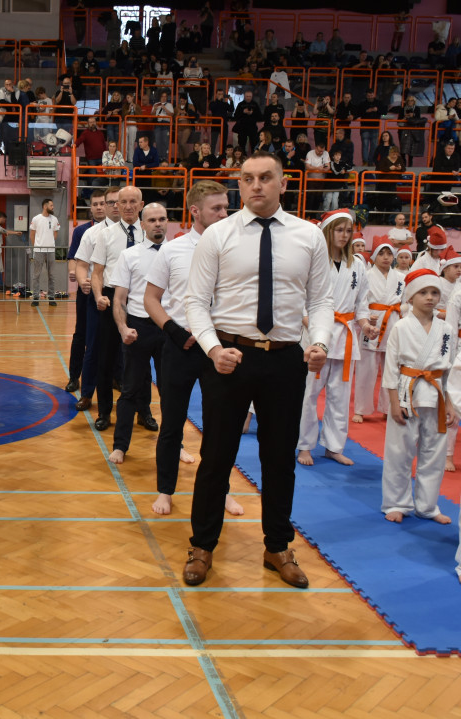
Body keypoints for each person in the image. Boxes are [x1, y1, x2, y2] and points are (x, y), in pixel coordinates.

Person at [183, 151, 334, 588]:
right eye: (248, 178)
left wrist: (320, 341)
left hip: (287, 358)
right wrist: (213, 349)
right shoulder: (219, 235)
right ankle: (203, 545)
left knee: (279, 459)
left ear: (283, 183)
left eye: (266, 177)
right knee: (216, 457)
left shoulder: (309, 236)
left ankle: (277, 546)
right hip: (230, 356)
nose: (256, 186)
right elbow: (195, 301)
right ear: (239, 184)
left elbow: (321, 300)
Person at [143, 180, 245, 516]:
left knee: (221, 427)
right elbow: (151, 299)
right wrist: (171, 329)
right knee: (172, 423)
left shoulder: (236, 249)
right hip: (180, 347)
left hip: (220, 347)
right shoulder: (173, 250)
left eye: (226, 207)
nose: (224, 213)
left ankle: (221, 491)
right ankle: (165, 490)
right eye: (217, 208)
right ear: (195, 212)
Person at [296, 210, 376, 467]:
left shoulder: (359, 265)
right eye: (339, 230)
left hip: (345, 337)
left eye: (348, 230)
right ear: (328, 231)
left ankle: (333, 446)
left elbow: (362, 303)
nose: (344, 235)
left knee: (339, 396)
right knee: (309, 394)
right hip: (314, 336)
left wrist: (365, 325)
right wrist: (315, 326)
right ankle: (305, 445)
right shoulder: (312, 261)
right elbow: (299, 301)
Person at [382, 269, 455, 525]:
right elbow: (390, 367)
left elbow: (449, 369)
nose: (430, 297)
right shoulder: (401, 327)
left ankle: (428, 505)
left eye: (435, 292)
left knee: (434, 453)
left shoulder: (446, 329)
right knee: (399, 452)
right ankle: (396, 502)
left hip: (436, 394)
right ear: (411, 297)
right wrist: (392, 402)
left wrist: (452, 404)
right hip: (407, 392)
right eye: (423, 292)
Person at [107, 202, 167, 464]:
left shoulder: (178, 253)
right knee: (129, 390)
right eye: (152, 220)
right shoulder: (129, 255)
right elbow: (120, 299)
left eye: (162, 219)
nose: (157, 224)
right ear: (142, 225)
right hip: (138, 327)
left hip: (169, 330)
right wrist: (122, 328)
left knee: (171, 390)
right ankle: (120, 446)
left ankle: (176, 443)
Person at [354, 241, 405, 423]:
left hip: (393, 323)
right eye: (381, 253)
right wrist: (367, 316)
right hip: (371, 325)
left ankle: (388, 407)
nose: (386, 257)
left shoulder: (400, 277)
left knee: (392, 370)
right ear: (374, 256)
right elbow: (359, 302)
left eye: (389, 254)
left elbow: (405, 303)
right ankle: (360, 409)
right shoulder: (366, 275)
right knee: (366, 369)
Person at [65, 191, 107, 391]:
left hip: (108, 291)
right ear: (90, 208)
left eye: (102, 204)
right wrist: (74, 273)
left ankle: (113, 376)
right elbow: (73, 257)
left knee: (109, 336)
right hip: (86, 291)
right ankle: (74, 376)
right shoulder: (82, 231)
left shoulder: (116, 231)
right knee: (81, 334)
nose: (99, 207)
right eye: (95, 204)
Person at [29, 198, 60, 307]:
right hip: (38, 250)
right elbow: (32, 235)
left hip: (51, 250)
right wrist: (36, 246)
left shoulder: (55, 219)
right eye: (51, 205)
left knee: (51, 275)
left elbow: (55, 234)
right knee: (36, 275)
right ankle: (36, 297)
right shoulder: (36, 219)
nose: (53, 207)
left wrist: (50, 243)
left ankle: (51, 297)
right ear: (45, 206)